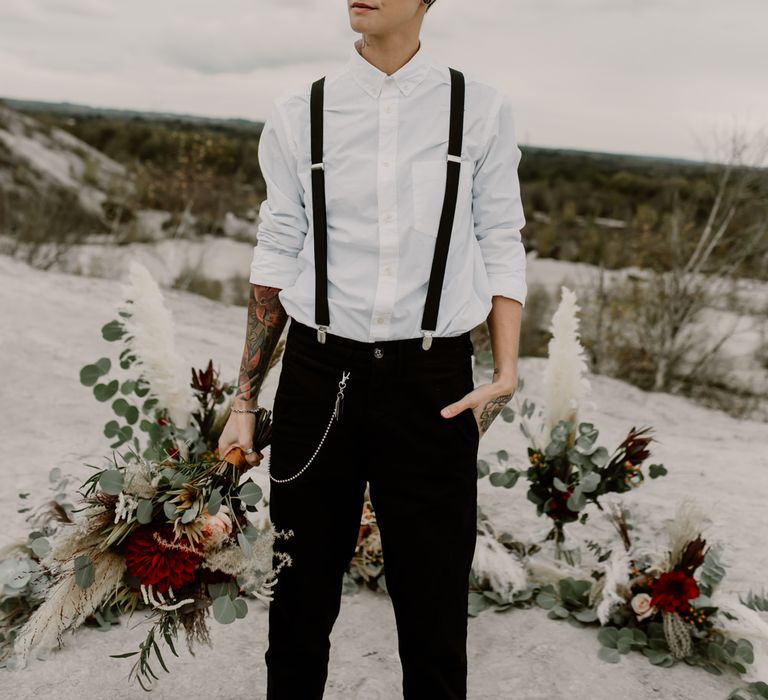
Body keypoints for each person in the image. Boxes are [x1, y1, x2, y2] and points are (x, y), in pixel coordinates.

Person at [218, 1, 527, 697]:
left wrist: (505, 372)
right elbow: (276, 249)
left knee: (435, 612)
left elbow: (502, 236)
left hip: (435, 381)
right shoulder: (302, 109)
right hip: (318, 374)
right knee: (297, 606)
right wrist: (245, 399)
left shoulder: (479, 108)